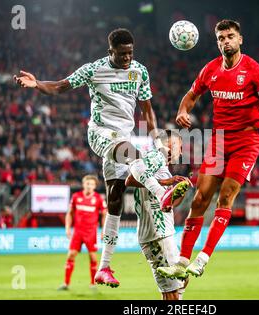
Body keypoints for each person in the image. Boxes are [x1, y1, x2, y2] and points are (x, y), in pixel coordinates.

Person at [14, 28, 186, 287]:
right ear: (110, 52)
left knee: (115, 200)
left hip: (123, 136)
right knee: (132, 153)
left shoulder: (140, 71)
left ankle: (103, 268)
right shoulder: (93, 69)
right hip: (101, 134)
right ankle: (162, 194)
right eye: (122, 53)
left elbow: (147, 110)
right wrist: (37, 84)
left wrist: (158, 139)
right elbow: (60, 86)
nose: (127, 57)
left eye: (130, 52)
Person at [157, 19, 259, 279]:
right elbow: (191, 95)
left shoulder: (255, 71)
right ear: (217, 42)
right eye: (221, 38)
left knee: (225, 197)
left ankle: (202, 259)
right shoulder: (210, 69)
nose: (226, 41)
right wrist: (182, 111)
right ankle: (181, 261)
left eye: (230, 36)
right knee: (200, 199)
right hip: (219, 140)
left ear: (240, 39)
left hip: (247, 142)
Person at [125, 130, 191, 300]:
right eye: (180, 146)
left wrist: (179, 190)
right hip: (156, 235)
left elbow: (168, 205)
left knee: (182, 280)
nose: (181, 152)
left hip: (163, 231)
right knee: (171, 292)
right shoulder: (153, 157)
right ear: (170, 143)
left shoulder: (163, 166)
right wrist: (167, 182)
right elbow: (130, 180)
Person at [58, 175, 107, 290]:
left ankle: (93, 283)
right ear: (83, 184)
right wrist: (67, 227)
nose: (89, 186)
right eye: (87, 184)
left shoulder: (98, 199)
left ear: (95, 186)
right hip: (78, 232)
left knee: (93, 257)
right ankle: (66, 283)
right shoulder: (76, 197)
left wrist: (104, 230)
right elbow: (69, 213)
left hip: (91, 232)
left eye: (92, 184)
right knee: (71, 255)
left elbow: (105, 215)